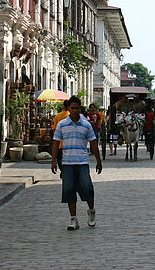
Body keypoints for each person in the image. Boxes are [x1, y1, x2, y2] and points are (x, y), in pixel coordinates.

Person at [51, 95, 103, 231]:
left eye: (77, 108)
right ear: (68, 109)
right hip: (67, 163)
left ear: (80, 109)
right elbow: (56, 143)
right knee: (69, 191)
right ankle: (73, 219)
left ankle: (91, 211)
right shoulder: (62, 124)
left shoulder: (86, 125)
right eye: (72, 108)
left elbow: (93, 143)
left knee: (87, 187)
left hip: (82, 162)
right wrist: (53, 161)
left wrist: (99, 161)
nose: (75, 110)